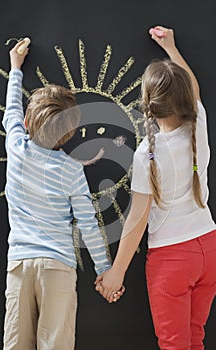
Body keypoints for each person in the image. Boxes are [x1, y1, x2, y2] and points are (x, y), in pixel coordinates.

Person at [95, 26, 216, 349]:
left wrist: (116, 273)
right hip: (209, 245)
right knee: (195, 338)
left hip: (173, 258)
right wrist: (172, 50)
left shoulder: (147, 153)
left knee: (174, 344)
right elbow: (193, 88)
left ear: (149, 104)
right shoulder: (198, 125)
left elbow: (137, 218)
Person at [2, 40, 123, 350]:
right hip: (58, 266)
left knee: (16, 344)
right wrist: (103, 270)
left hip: (19, 265)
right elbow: (88, 224)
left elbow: (11, 113)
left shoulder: (16, 149)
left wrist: (16, 69)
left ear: (27, 124)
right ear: (70, 135)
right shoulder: (72, 170)